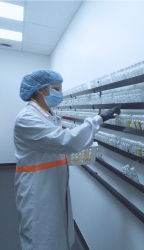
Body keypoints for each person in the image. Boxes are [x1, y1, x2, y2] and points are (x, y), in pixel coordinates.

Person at [13, 69, 120, 250]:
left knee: (55, 230)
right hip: (37, 187)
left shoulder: (47, 115)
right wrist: (98, 119)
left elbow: (56, 145)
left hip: (52, 183)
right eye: (56, 88)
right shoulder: (27, 118)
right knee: (39, 236)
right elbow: (64, 140)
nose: (59, 93)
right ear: (40, 90)